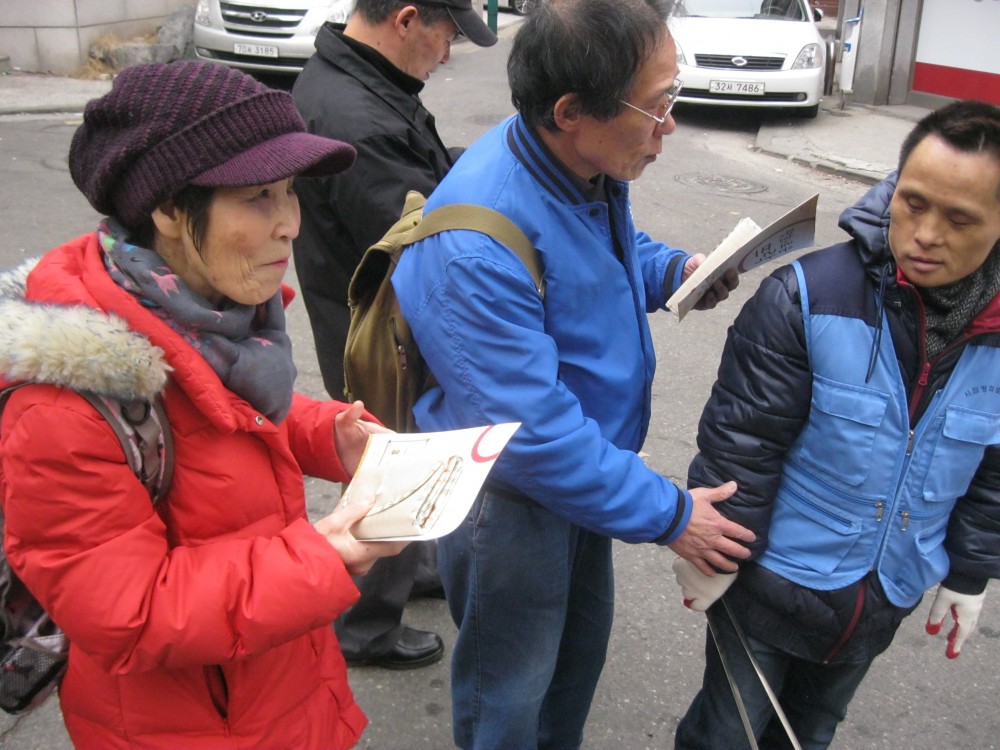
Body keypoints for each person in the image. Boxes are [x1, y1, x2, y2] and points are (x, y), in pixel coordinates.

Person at [0, 60, 409, 750]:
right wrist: (325, 554)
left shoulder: (201, 314)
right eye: (258, 197)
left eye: (290, 192)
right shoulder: (60, 405)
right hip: (185, 724)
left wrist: (324, 434)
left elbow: (219, 418)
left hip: (279, 685)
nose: (290, 223)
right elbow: (129, 612)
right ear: (166, 208)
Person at [389, 1, 755, 747]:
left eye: (673, 96)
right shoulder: (477, 244)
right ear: (570, 111)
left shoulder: (574, 162)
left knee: (572, 668)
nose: (670, 125)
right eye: (656, 106)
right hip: (512, 502)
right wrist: (672, 515)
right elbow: (532, 435)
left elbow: (597, 259)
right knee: (509, 696)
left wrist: (672, 271)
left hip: (588, 478)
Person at [672, 99, 1000, 750]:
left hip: (882, 597)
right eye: (913, 203)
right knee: (726, 734)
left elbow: (993, 470)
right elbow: (744, 445)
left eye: (959, 218)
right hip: (770, 586)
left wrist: (970, 574)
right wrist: (716, 555)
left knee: (812, 733)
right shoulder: (806, 297)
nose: (925, 233)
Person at [292, 0, 496, 671]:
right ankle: (364, 625)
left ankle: (416, 568)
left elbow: (422, 180)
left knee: (399, 450)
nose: (448, 54)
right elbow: (421, 243)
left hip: (358, 311)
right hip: (378, 331)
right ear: (406, 20)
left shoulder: (351, 76)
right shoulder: (361, 119)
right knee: (392, 461)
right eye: (447, 35)